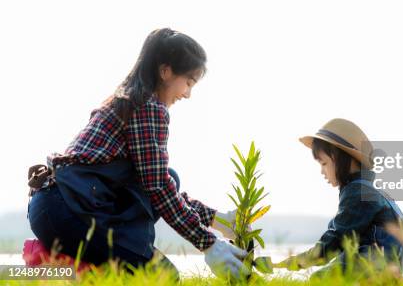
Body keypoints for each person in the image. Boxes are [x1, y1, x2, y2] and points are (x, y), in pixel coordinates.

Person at [27, 28, 248, 279]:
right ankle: (53, 268)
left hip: (56, 205)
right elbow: (157, 188)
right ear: (165, 71)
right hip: (68, 211)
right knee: (164, 277)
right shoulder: (147, 106)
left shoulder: (128, 99)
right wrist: (209, 244)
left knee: (170, 178)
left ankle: (60, 267)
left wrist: (218, 220)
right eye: (188, 82)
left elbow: (157, 183)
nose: (187, 94)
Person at [275, 118, 403, 278]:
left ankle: (386, 281)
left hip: (375, 258)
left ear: (340, 159)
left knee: (319, 279)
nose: (322, 171)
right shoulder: (371, 190)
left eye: (324, 163)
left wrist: (293, 262)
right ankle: (386, 281)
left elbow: (335, 240)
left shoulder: (356, 192)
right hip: (393, 260)